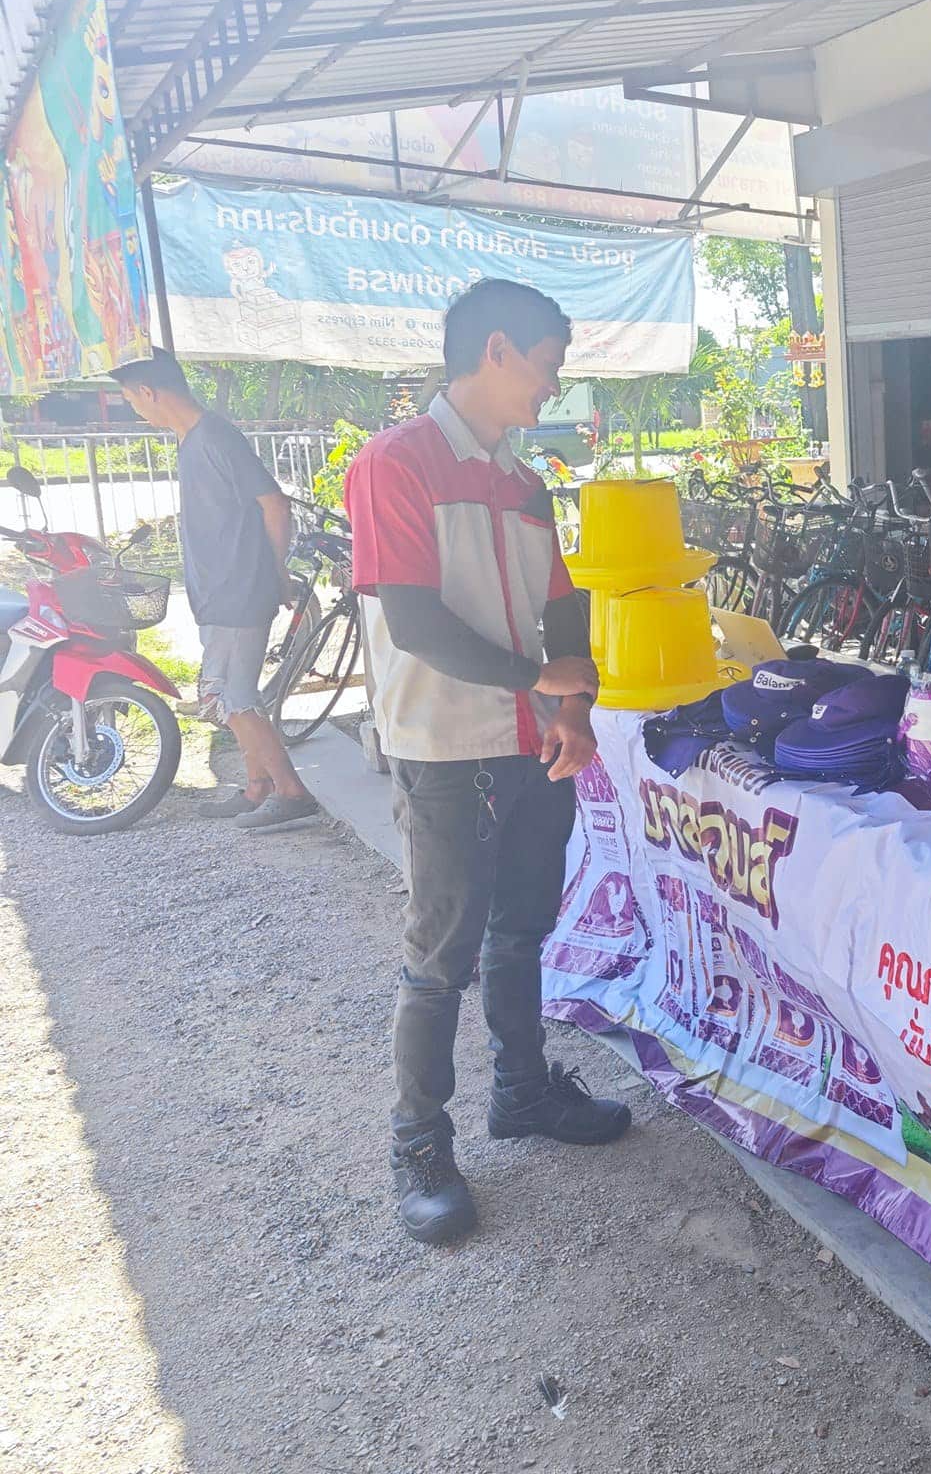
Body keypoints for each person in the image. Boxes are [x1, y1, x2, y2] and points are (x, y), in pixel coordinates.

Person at [345, 279, 627, 1247]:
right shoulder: (396, 461)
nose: (553, 384)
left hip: (531, 744)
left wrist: (572, 705)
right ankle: (418, 1145)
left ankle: (522, 1091)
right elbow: (415, 620)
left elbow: (563, 607)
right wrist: (538, 680)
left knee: (523, 932)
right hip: (446, 748)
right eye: (547, 364)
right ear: (497, 348)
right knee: (439, 961)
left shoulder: (524, 482)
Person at [110, 348, 319, 830]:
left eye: (131, 400)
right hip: (218, 594)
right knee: (229, 695)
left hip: (237, 592)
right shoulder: (192, 439)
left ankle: (291, 791)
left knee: (231, 697)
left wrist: (275, 571)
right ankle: (257, 786)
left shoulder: (216, 437)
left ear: (148, 391)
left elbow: (275, 504)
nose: (135, 410)